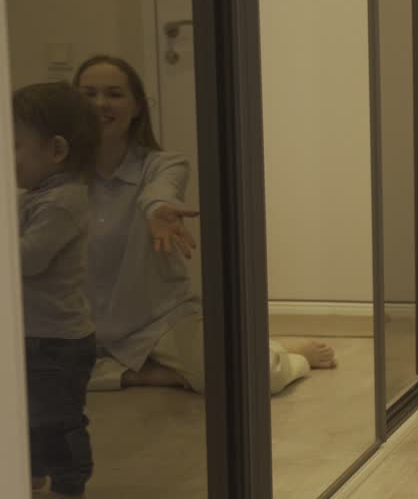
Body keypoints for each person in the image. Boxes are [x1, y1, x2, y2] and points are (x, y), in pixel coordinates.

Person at [73, 55, 335, 395]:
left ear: (137, 106)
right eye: (88, 94)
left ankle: (284, 351)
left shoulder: (163, 165)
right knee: (36, 379)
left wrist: (158, 210)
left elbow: (159, 193)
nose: (100, 104)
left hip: (157, 322)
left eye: (114, 94)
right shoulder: (58, 181)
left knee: (255, 378)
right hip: (85, 331)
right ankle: (146, 374)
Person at [14, 82, 101, 499]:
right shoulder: (39, 196)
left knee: (57, 417)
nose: (9, 157)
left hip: (58, 341)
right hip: (36, 334)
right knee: (27, 412)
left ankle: (69, 486)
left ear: (57, 150)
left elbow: (27, 259)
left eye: (16, 146)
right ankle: (30, 472)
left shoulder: (63, 202)